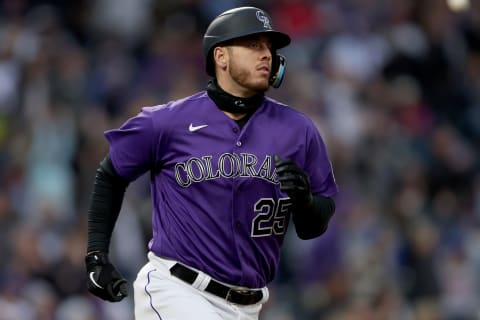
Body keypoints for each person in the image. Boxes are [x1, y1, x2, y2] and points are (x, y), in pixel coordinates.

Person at [85, 6, 339, 320]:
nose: (266, 55)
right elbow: (110, 174)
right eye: (253, 45)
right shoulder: (167, 122)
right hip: (176, 288)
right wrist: (97, 256)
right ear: (221, 57)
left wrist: (305, 202)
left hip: (249, 306)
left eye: (269, 48)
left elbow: (316, 223)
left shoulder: (298, 130)